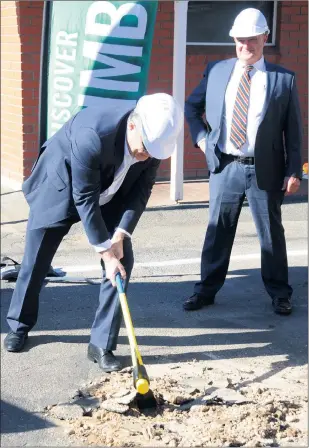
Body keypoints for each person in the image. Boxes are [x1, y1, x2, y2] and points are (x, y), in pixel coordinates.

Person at [4, 93, 183, 372]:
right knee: (36, 259)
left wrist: (120, 235)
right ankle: (19, 325)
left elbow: (141, 191)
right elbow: (84, 197)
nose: (146, 156)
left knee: (122, 263)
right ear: (133, 126)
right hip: (61, 186)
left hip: (112, 190)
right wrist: (104, 251)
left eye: (153, 153)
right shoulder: (94, 134)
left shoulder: (154, 140)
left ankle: (101, 344)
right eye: (144, 149)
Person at [183, 8, 302, 315]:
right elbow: (191, 108)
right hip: (225, 165)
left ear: (265, 38)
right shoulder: (218, 70)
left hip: (266, 168)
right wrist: (202, 141)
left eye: (252, 40)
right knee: (217, 230)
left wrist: (294, 170)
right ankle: (206, 291)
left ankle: (280, 293)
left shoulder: (283, 80)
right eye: (239, 40)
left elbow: (294, 130)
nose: (245, 46)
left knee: (271, 234)